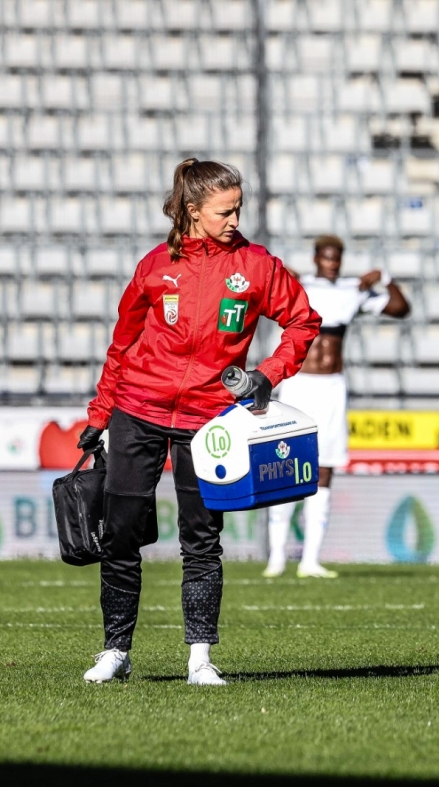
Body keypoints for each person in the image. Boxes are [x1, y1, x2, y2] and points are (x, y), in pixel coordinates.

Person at [77, 158, 321, 686]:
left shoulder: (258, 265)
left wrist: (269, 374)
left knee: (202, 538)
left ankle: (200, 659)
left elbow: (304, 321)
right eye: (224, 210)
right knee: (119, 534)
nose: (235, 219)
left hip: (210, 420)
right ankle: (115, 651)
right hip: (136, 411)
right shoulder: (152, 267)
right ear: (192, 210)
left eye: (238, 209)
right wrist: (100, 414)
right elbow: (121, 346)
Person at [264, 235, 410, 579]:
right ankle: (276, 557)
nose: (332, 264)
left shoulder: (351, 290)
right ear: (316, 258)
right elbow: (262, 293)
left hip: (332, 386)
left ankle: (310, 559)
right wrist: (279, 273)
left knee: (324, 467)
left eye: (336, 258)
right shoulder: (299, 287)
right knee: (285, 467)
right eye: (326, 258)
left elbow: (401, 310)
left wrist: (385, 279)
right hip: (299, 383)